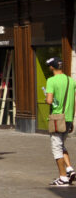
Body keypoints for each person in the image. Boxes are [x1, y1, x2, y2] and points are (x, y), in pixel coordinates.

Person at [44, 57, 75, 186]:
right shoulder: (71, 81)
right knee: (61, 144)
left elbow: (50, 101)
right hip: (68, 118)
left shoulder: (51, 81)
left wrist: (46, 97)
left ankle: (63, 178)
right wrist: (72, 119)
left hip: (57, 118)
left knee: (56, 148)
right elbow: (73, 101)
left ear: (52, 67)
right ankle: (69, 169)